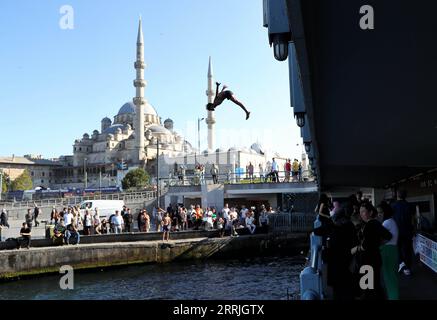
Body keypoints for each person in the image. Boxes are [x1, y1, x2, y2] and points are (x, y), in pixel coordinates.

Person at [353, 202, 392, 300]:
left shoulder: (370, 225)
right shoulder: (375, 223)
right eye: (360, 212)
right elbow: (388, 236)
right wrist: (377, 243)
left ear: (370, 212)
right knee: (375, 285)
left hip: (368, 260)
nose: (361, 214)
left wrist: (356, 249)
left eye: (363, 211)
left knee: (368, 287)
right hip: (374, 258)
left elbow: (365, 245)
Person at [377, 201, 400, 300]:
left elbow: (380, 238)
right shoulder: (391, 221)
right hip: (392, 250)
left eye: (380, 212)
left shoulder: (387, 222)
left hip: (387, 251)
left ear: (385, 212)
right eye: (378, 212)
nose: (379, 214)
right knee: (392, 278)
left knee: (390, 279)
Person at [391, 190, 415, 276]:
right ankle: (407, 268)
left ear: (397, 195)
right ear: (406, 196)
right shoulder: (410, 205)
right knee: (407, 249)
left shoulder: (393, 205)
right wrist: (413, 230)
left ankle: (401, 264)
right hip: (408, 231)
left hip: (396, 231)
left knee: (397, 248)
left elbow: (391, 219)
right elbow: (413, 219)